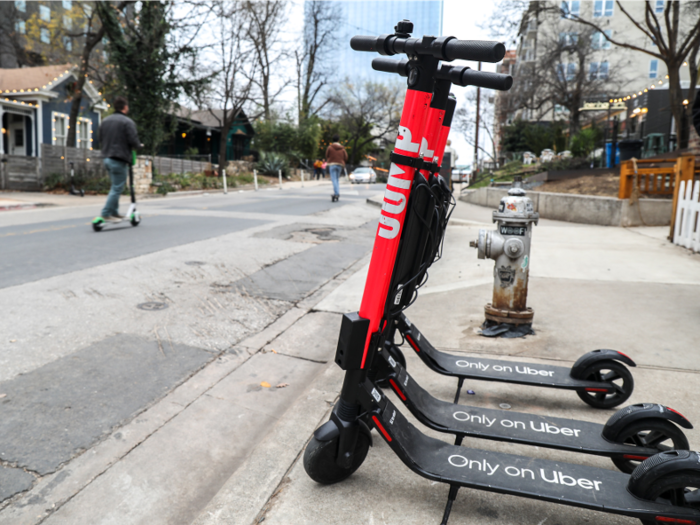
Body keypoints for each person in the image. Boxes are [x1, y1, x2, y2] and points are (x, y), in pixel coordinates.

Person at [96, 96, 140, 222]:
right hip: (119, 158)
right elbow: (133, 140)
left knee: (114, 186)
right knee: (117, 188)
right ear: (125, 107)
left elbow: (100, 138)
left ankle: (114, 212)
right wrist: (139, 145)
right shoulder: (127, 122)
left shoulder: (105, 121)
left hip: (106, 157)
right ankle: (106, 213)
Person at [325, 135, 347, 200]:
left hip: (332, 164)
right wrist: (342, 161)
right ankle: (337, 193)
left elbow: (327, 155)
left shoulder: (329, 147)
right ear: (338, 140)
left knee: (334, 179)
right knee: (337, 179)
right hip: (340, 164)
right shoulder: (342, 148)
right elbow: (346, 157)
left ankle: (336, 193)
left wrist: (331, 159)